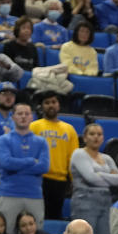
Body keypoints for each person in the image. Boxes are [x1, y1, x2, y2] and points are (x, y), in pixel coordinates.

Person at [70, 123, 118, 234]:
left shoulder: (107, 158)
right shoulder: (79, 154)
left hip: (105, 201)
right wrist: (109, 177)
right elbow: (91, 178)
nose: (96, 137)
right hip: (85, 199)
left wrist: (99, 174)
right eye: (92, 134)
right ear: (85, 138)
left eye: (99, 134)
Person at [0, 102, 49, 230]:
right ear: (12, 117)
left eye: (27, 114)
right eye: (20, 114)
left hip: (34, 195)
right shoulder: (4, 140)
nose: (23, 117)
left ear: (32, 117)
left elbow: (43, 167)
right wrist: (31, 161)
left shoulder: (41, 142)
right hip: (9, 193)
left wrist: (17, 165)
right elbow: (6, 163)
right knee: (6, 233)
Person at [29, 92, 78, 221]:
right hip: (38, 179)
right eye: (47, 102)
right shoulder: (34, 126)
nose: (51, 105)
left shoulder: (69, 129)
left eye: (54, 102)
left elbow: (73, 158)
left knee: (54, 217)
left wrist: (73, 179)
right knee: (36, 217)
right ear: (42, 106)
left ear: (59, 105)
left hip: (60, 181)